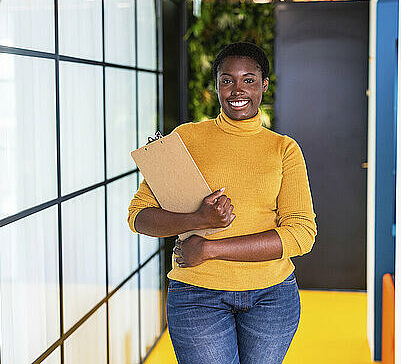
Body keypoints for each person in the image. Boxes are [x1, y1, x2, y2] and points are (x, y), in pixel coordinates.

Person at [127, 42, 317, 364]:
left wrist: (211, 248)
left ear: (264, 85)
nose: (237, 90)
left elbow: (301, 234)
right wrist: (199, 219)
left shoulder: (284, 149)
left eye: (249, 80)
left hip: (272, 296)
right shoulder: (187, 139)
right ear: (216, 86)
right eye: (227, 80)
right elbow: (139, 216)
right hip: (197, 295)